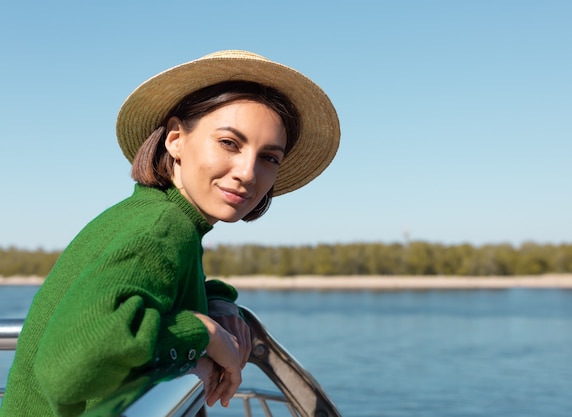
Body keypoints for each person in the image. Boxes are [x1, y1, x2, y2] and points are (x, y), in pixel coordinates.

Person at [0, 50, 340, 417]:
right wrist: (203, 333)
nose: (248, 172)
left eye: (269, 158)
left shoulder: (158, 218)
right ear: (176, 139)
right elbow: (71, 366)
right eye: (229, 143)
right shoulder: (162, 228)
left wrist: (218, 302)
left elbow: (164, 289)